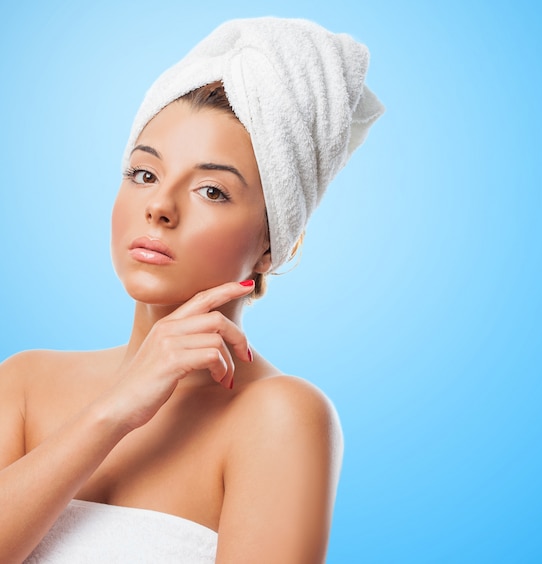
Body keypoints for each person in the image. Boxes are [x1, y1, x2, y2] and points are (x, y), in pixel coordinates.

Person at [0, 17, 383, 563]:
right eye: (144, 174)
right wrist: (115, 411)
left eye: (211, 190)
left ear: (275, 245)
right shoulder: (24, 385)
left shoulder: (279, 418)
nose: (159, 207)